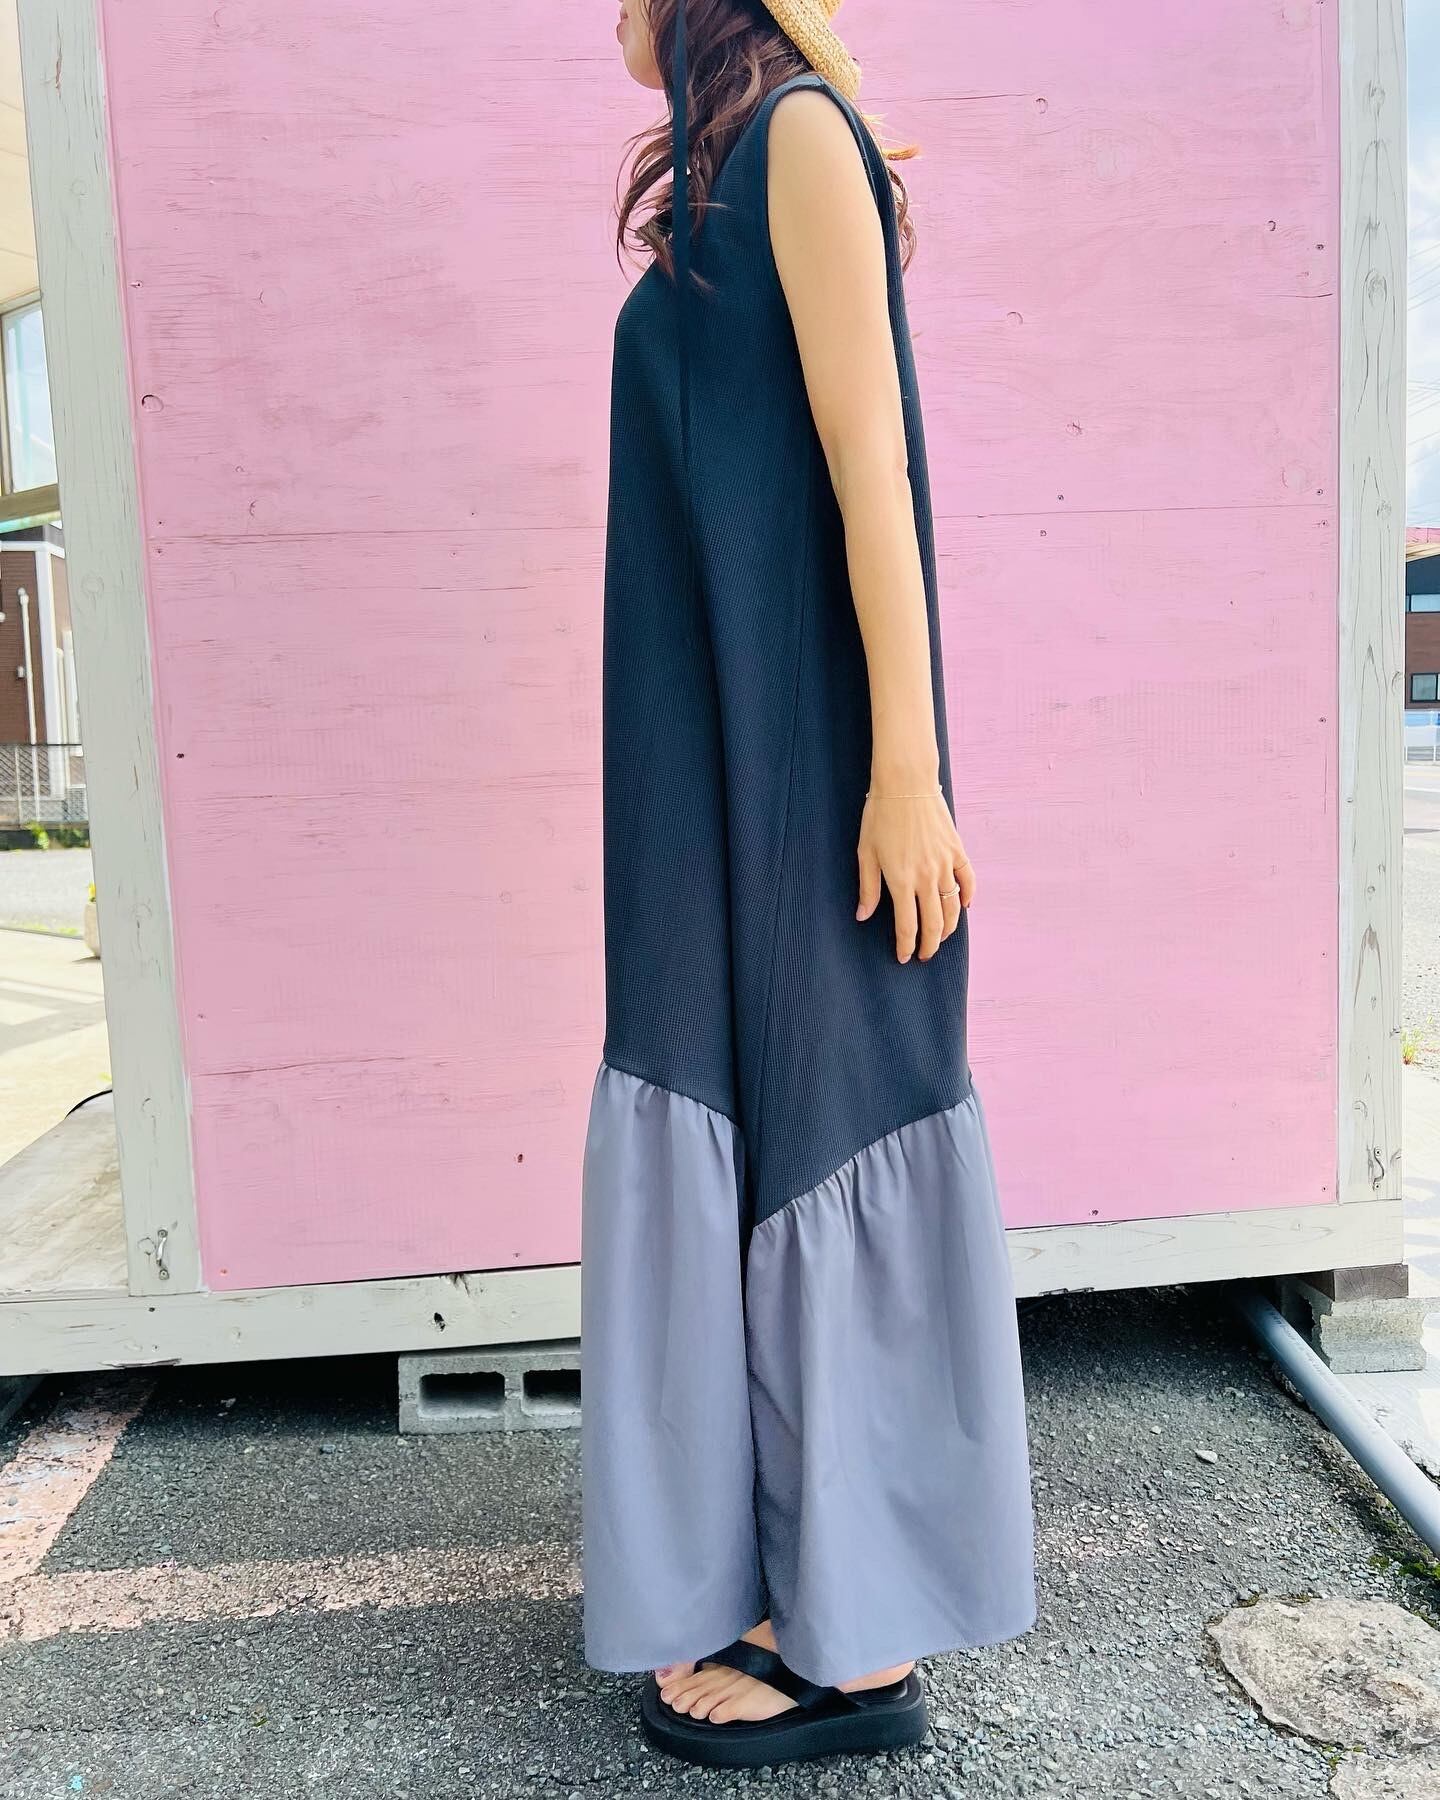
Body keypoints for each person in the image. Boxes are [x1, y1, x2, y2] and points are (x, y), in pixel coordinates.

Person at [579, 0, 1037, 1769]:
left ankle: (858, 1645)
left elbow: (873, 471)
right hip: (703, 762)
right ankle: (768, 1578)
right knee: (731, 1113)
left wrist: (905, 774)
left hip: (806, 756)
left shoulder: (798, 142)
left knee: (830, 1111)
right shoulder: (739, 163)